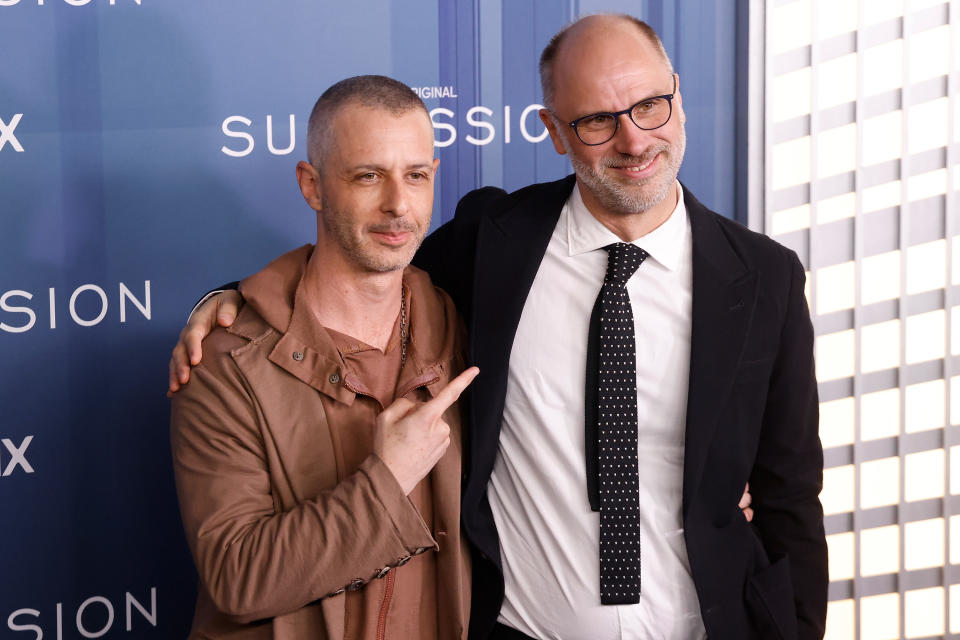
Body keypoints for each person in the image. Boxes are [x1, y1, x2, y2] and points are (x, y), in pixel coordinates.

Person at [169, 15, 826, 640]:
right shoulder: (493, 245)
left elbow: (791, 497)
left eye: (649, 105)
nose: (633, 140)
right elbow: (366, 263)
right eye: (597, 121)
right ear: (554, 130)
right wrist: (229, 301)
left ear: (677, 99)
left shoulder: (765, 278)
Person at [168, 75, 478, 640]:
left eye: (415, 176)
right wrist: (389, 479)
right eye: (367, 176)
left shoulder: (464, 321)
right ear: (312, 186)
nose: (397, 205)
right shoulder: (225, 360)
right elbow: (237, 579)